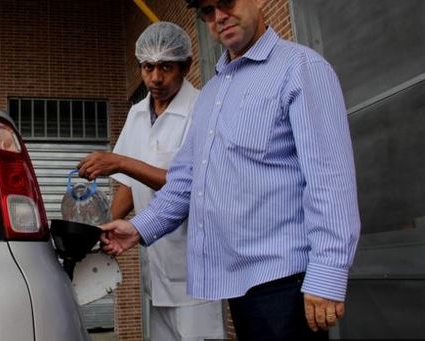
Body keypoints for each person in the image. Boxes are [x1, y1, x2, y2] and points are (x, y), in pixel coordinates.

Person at [98, 1, 361, 340]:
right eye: (208, 10)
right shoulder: (213, 94)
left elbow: (330, 180)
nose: (219, 16)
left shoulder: (300, 69)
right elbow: (185, 182)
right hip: (237, 284)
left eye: (226, 2)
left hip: (285, 284)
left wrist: (328, 271)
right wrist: (137, 228)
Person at [78, 21, 224, 341]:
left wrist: (120, 161)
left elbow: (188, 183)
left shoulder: (203, 110)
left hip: (193, 272)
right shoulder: (137, 114)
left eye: (165, 67)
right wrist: (99, 229)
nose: (155, 78)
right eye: (147, 67)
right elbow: (128, 185)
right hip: (154, 271)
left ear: (185, 65)